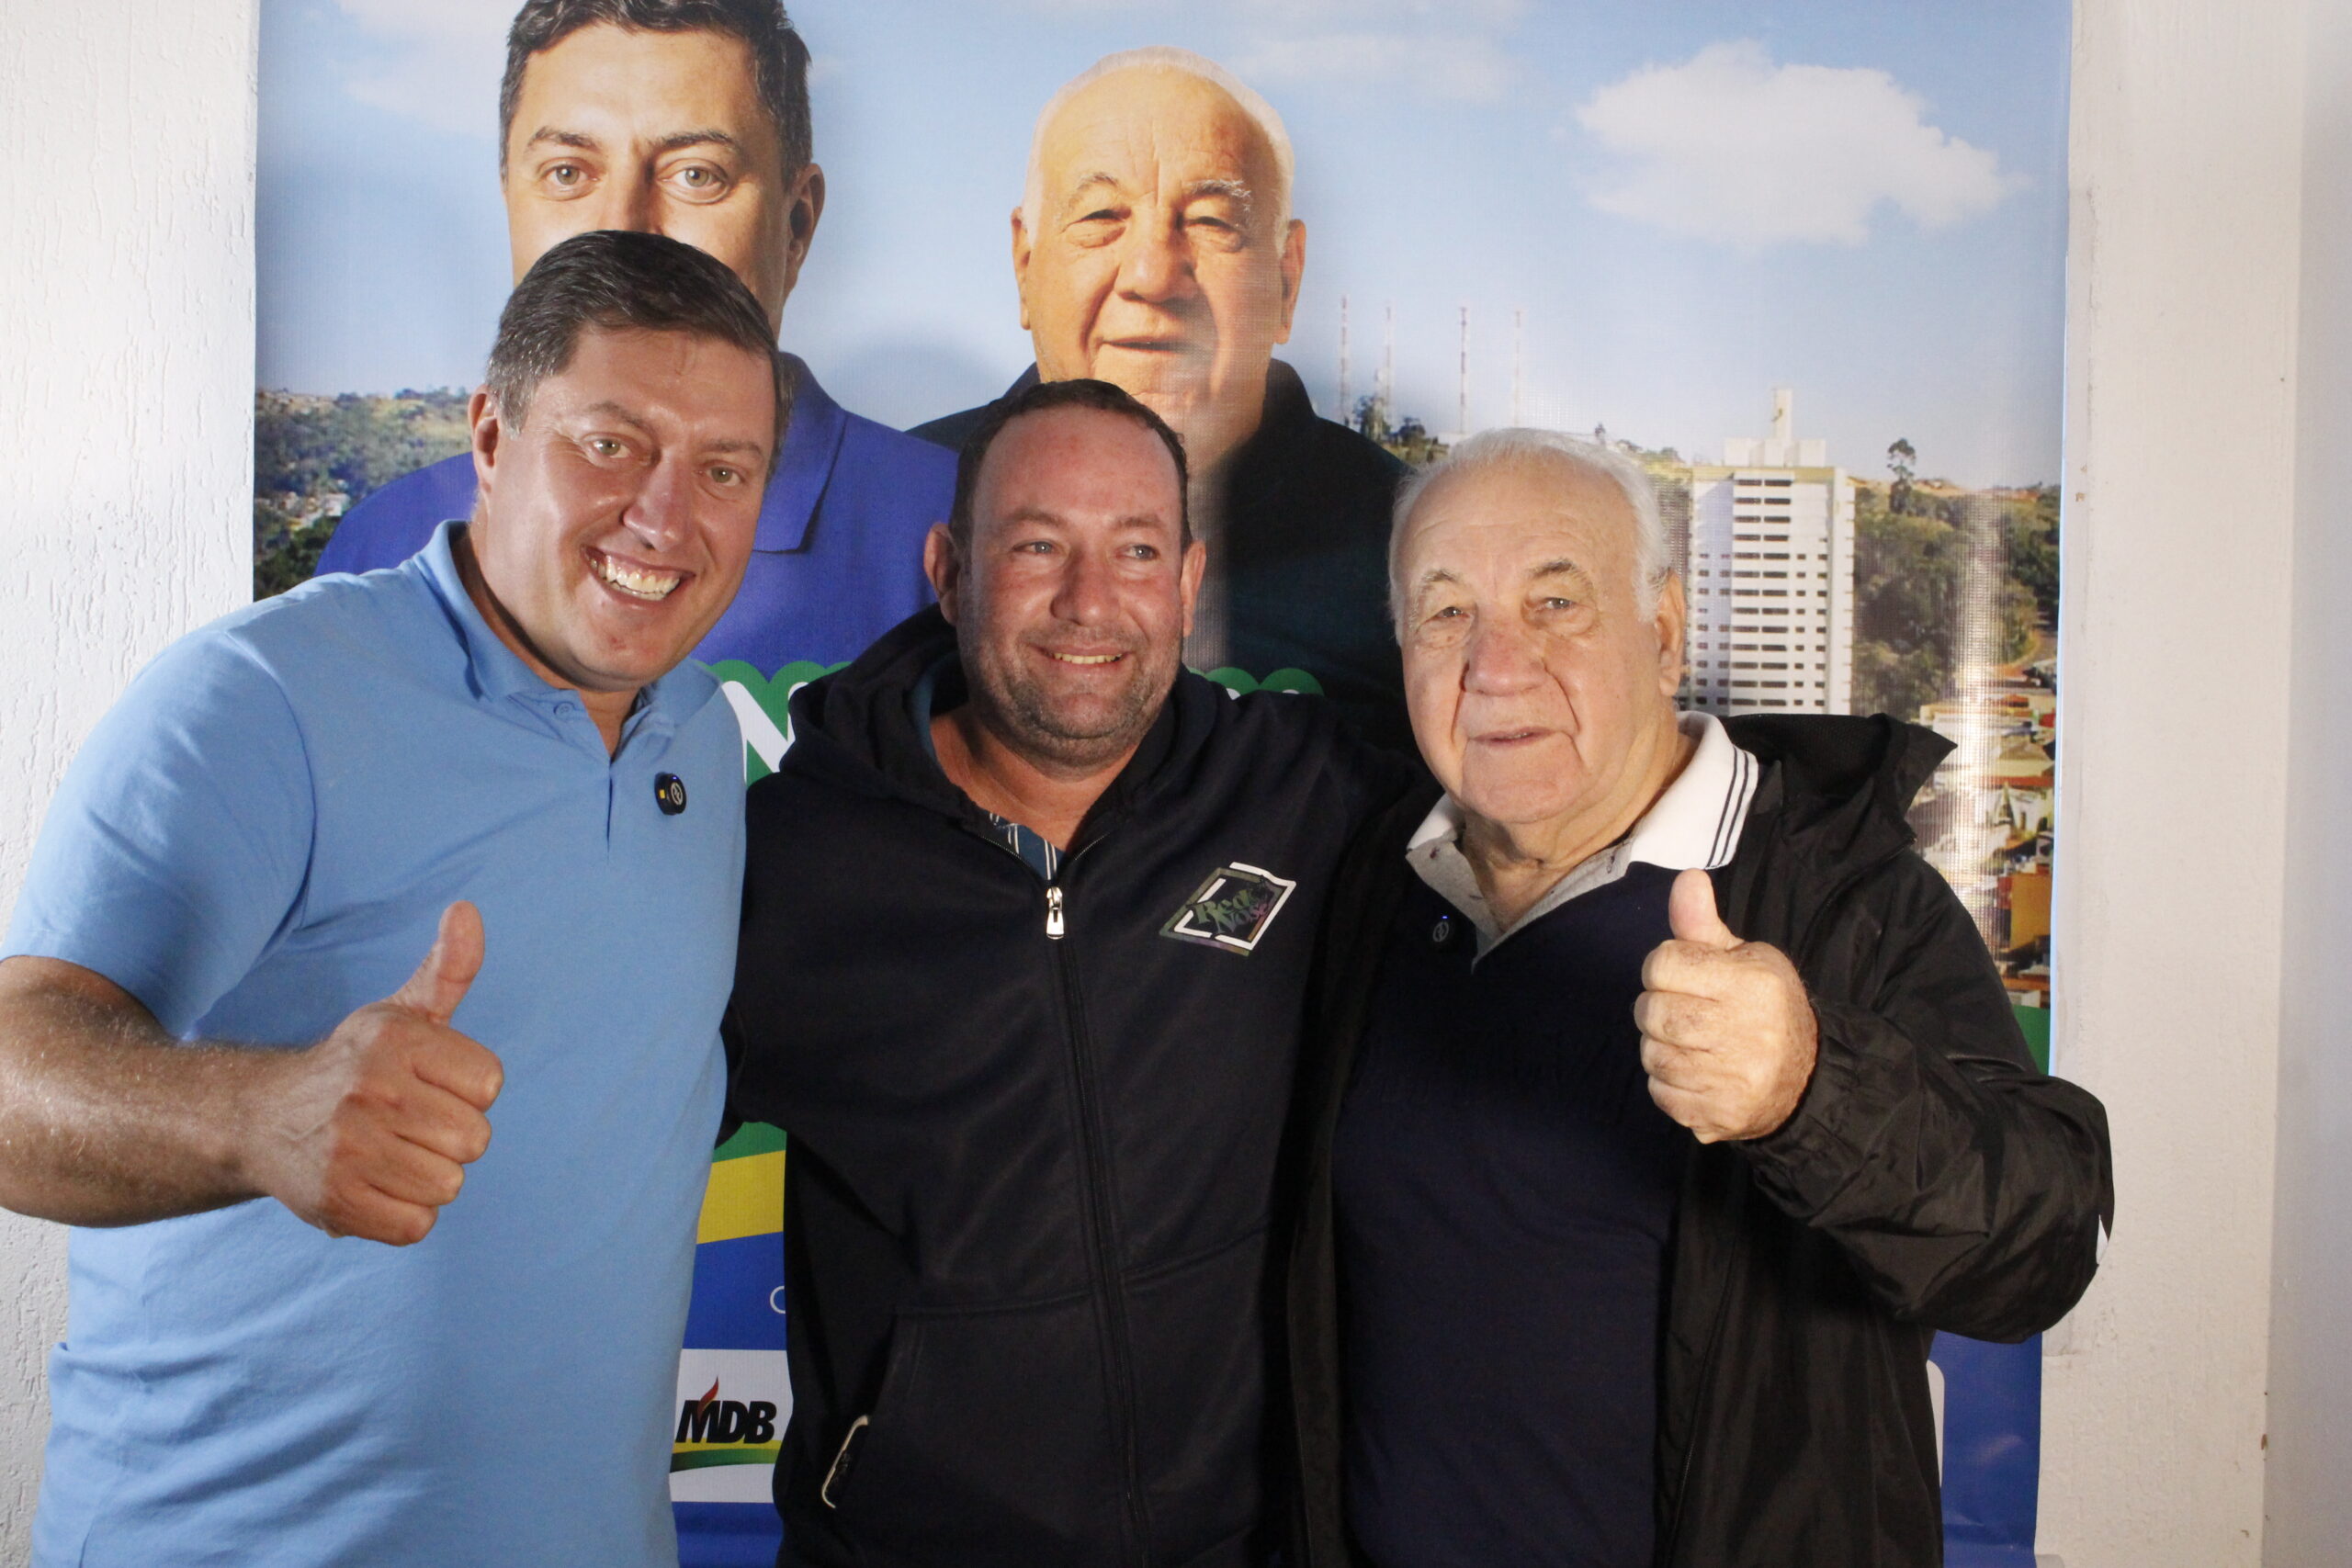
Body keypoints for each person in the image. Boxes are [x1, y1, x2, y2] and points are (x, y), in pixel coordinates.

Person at [0, 231, 775, 1567]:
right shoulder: (262, 696)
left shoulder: (703, 738)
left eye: (724, 469)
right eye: (612, 444)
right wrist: (258, 1116)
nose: (665, 516)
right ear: (491, 437)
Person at [1283, 429, 2115, 1568]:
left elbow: (2040, 1243)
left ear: (1664, 630)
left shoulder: (1841, 897)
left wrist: (1812, 1093)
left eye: (1556, 603)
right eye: (1445, 613)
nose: (1497, 665)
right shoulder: (1374, 880)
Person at [726, 378, 1410, 1567]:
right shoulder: (790, 861)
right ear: (949, 571)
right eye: (1038, 545)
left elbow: (1549, 834)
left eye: (1135, 550)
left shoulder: (1304, 791)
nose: (1089, 601)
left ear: (1188, 583)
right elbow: (580, 1121)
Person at [319, 0, 954, 686]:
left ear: (795, 224)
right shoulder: (382, 543)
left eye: (696, 175)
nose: (621, 231)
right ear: (508, 197)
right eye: (568, 172)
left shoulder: (958, 528)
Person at [910, 48, 1409, 751]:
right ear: (1025, 266)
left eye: (1212, 222)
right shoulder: (893, 501)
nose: (1151, 275)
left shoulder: (1417, 546)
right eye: (1100, 216)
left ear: (1286, 279)